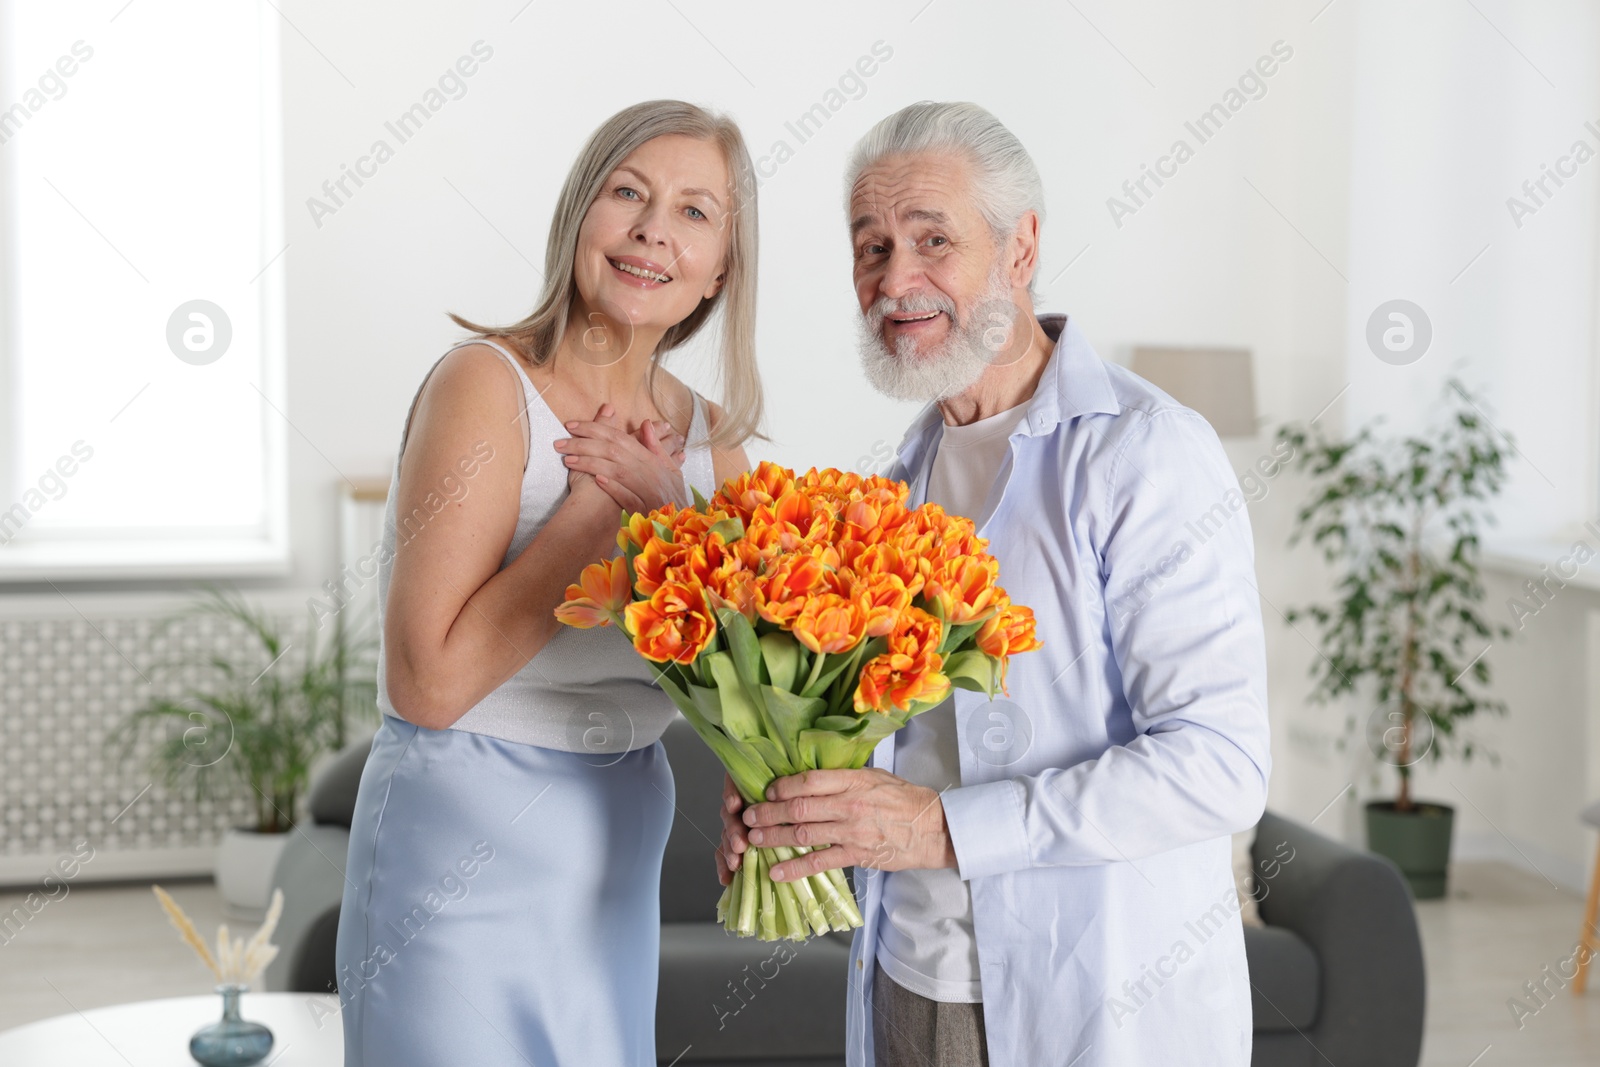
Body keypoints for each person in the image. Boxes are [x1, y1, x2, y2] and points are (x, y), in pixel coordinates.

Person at [718, 101, 1271, 1066]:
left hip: (1095, 999)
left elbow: (1218, 764)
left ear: (1021, 249)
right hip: (905, 980)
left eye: (935, 239)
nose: (897, 279)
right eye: (872, 245)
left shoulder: (1145, 452)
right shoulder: (902, 480)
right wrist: (786, 800)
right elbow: (912, 743)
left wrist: (943, 829)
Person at [337, 99, 761, 1066]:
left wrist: (759, 784)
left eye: (697, 212)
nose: (656, 228)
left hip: (616, 845)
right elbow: (428, 684)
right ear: (580, 215)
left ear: (722, 268)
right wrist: (592, 518)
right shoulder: (486, 387)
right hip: (457, 840)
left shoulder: (712, 440)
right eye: (629, 193)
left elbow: (737, 679)